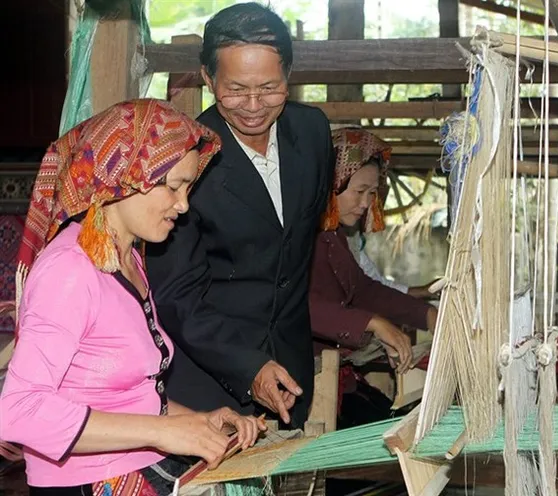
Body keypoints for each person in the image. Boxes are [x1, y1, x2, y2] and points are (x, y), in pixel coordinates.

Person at [0, 99, 265, 494]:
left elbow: (121, 395)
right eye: (173, 186)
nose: (183, 204)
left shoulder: (128, 260)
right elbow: (18, 411)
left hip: (133, 468)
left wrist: (199, 424)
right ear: (122, 178)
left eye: (188, 187)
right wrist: (165, 432)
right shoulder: (70, 270)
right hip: (84, 483)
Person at [146, 3, 333, 429]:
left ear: (289, 75)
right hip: (209, 385)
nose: (253, 105)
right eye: (234, 89)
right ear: (208, 78)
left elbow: (297, 253)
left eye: (269, 87)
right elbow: (177, 297)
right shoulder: (186, 160)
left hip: (290, 373)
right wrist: (250, 367)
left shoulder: (313, 132)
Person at [310, 128, 437, 375]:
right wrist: (372, 323)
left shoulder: (333, 235)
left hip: (330, 373)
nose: (367, 203)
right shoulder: (297, 234)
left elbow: (362, 289)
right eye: (359, 191)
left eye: (371, 193)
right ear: (332, 182)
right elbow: (294, 305)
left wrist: (426, 314)